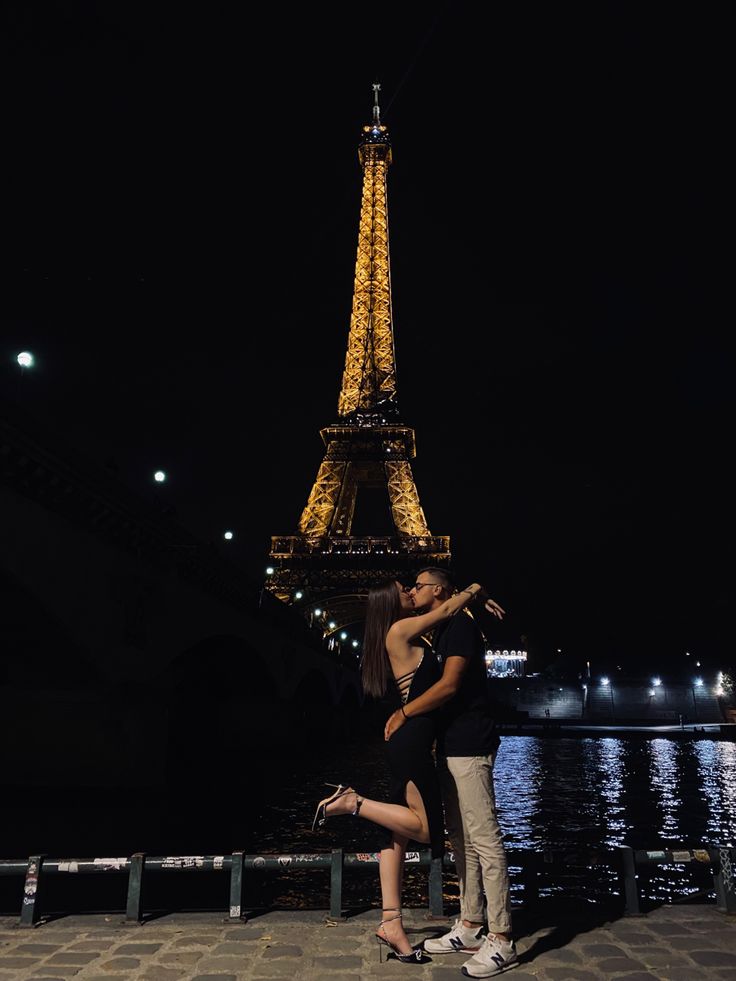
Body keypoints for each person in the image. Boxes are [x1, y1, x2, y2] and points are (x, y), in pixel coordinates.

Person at [310, 577, 500, 965]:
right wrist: (475, 588)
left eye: (414, 586)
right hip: (412, 741)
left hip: (410, 740)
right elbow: (447, 608)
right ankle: (354, 802)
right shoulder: (398, 629)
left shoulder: (402, 633)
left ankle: (391, 921)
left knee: (395, 833)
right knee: (427, 829)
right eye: (404, 590)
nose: (411, 592)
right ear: (390, 603)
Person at [384, 567, 517, 979]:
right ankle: (472, 924)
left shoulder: (458, 626)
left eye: (418, 586)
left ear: (438, 590)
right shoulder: (439, 631)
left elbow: (450, 685)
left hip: (471, 744)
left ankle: (503, 937)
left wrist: (403, 712)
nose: (411, 590)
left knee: (484, 839)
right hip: (451, 745)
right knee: (462, 838)